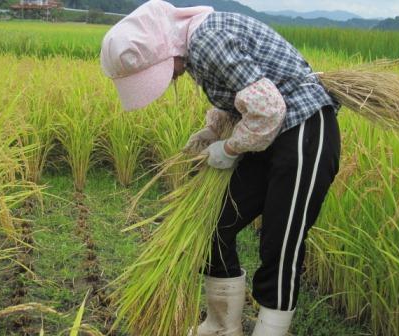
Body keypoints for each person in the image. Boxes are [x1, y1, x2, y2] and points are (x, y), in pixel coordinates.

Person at [100, 1, 341, 335]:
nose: (169, 78)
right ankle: (222, 326)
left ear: (162, 51)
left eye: (160, 71)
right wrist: (211, 131)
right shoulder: (195, 46)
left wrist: (229, 148)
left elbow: (269, 108)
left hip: (303, 132)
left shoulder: (206, 39)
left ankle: (270, 329)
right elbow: (238, 94)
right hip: (267, 135)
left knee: (280, 243)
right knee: (215, 224)